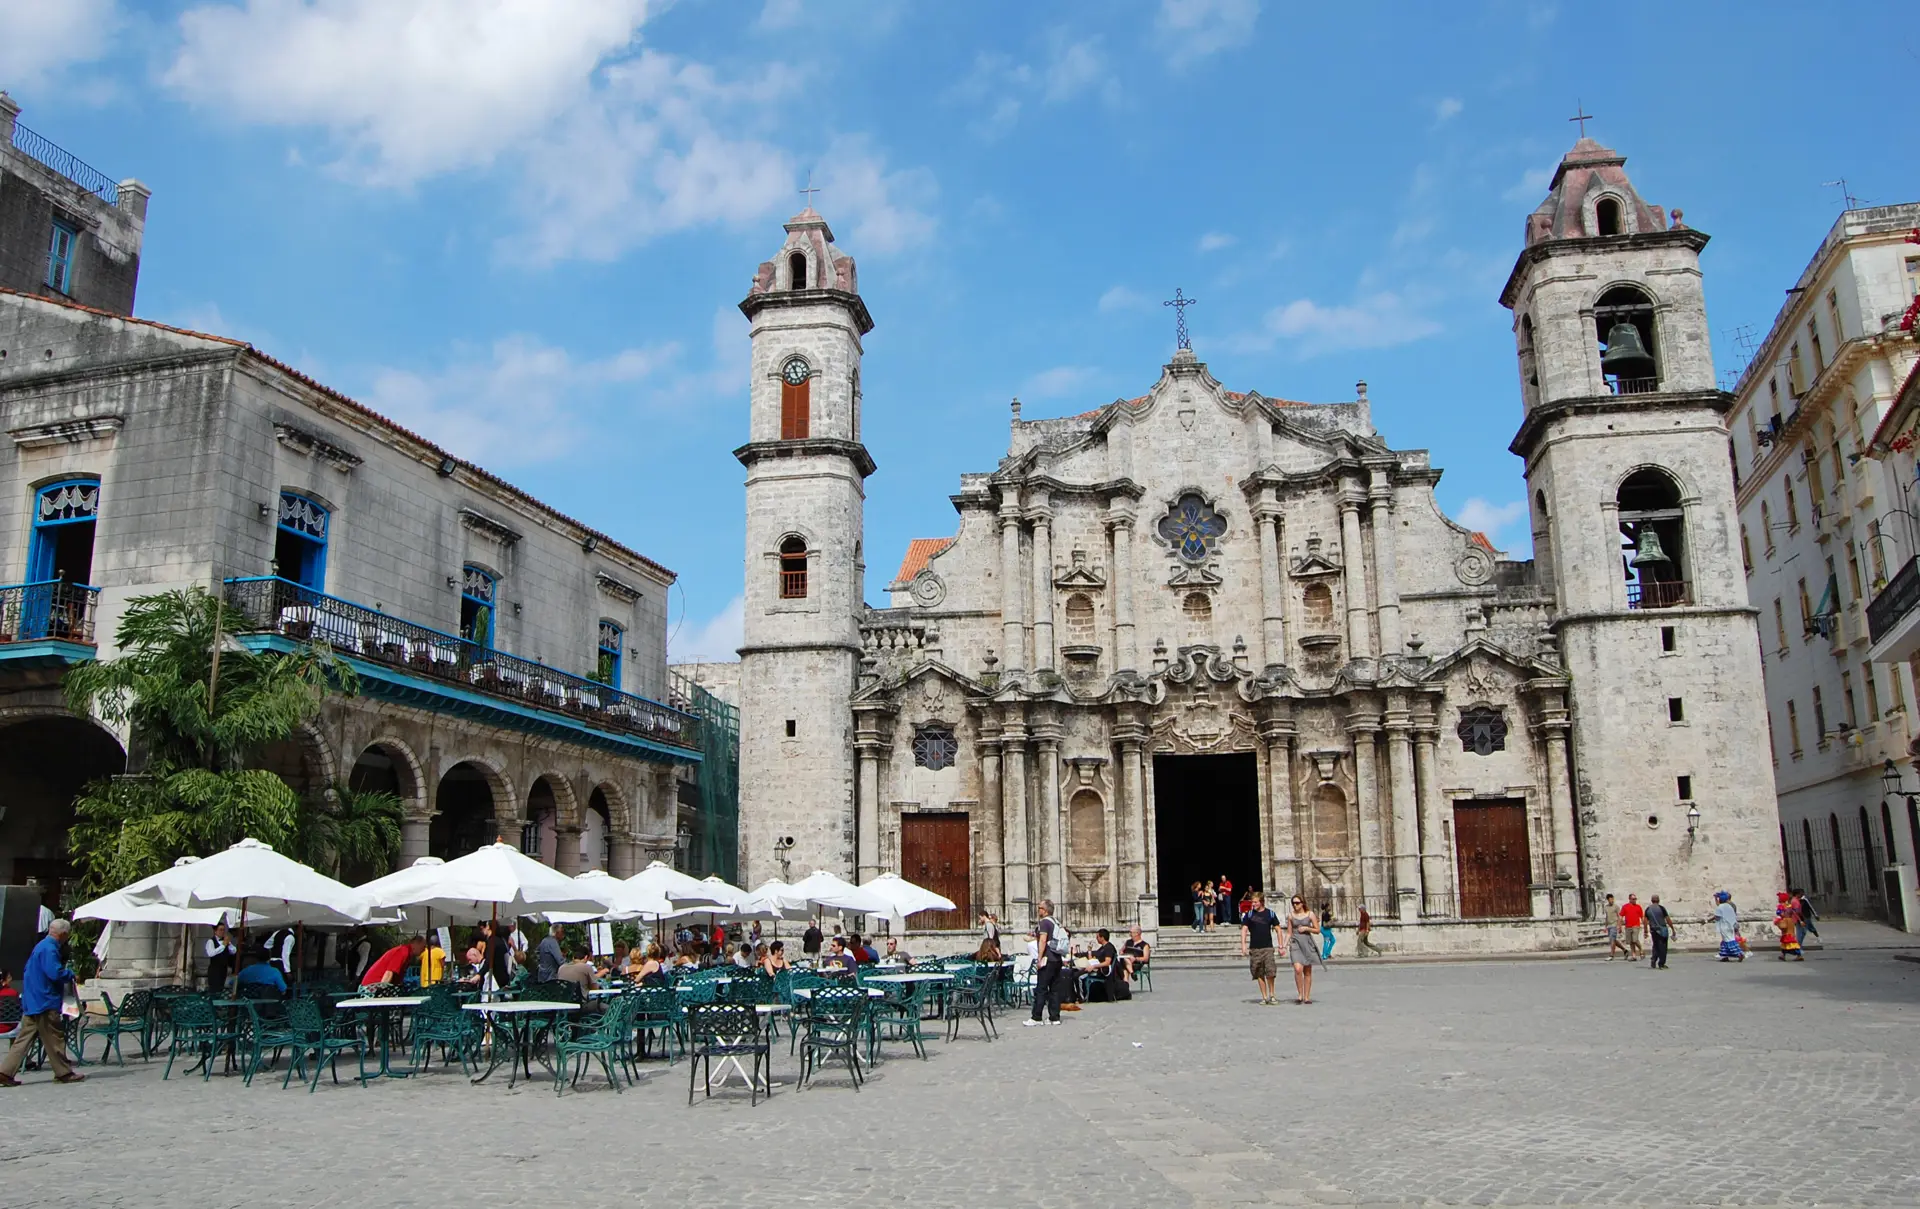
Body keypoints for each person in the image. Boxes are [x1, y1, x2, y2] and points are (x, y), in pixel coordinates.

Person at [0, 919, 82, 1086]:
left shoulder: (40, 946)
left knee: (23, 1039)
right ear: (63, 934)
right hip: (45, 1000)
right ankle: (63, 1072)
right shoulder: (50, 949)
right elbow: (54, 973)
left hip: (33, 999)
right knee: (54, 1037)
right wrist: (70, 974)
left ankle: (5, 1072)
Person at [1025, 899, 1067, 1027]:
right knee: (1054, 989)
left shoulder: (1044, 923)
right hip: (1057, 959)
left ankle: (1036, 1016)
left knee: (1041, 988)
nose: (1038, 910)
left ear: (1046, 910)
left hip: (1047, 959)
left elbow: (1042, 941)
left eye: (1040, 908)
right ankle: (1054, 1017)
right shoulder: (1056, 922)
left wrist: (1039, 958)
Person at [1240, 891, 1283, 1004]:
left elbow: (1278, 929)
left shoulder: (1270, 914)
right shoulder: (1249, 915)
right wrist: (1243, 945)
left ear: (1261, 902)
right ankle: (1264, 996)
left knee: (1270, 971)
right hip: (1255, 948)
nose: (1253, 904)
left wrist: (1281, 945)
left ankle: (1272, 995)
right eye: (1252, 902)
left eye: (1255, 902)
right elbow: (1244, 929)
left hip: (1267, 946)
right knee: (1258, 972)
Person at [1286, 897, 1323, 1005]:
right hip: (1295, 943)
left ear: (1302, 903)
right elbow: (1289, 932)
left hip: (1307, 943)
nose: (1295, 905)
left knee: (1307, 971)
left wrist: (1307, 928)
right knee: (1298, 969)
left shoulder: (1310, 914)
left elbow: (1317, 930)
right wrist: (1283, 946)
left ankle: (1306, 997)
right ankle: (1300, 995)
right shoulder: (1290, 916)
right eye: (1293, 903)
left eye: (1297, 903)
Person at [362, 936, 427, 987]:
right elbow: (388, 973)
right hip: (372, 985)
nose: (424, 950)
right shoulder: (403, 952)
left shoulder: (408, 955)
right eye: (423, 947)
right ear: (415, 944)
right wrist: (382, 992)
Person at [1086, 928, 1127, 1002]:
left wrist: (1094, 966)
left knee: (1079, 976)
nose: (1096, 939)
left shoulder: (1108, 948)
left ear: (1102, 938)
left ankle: (1082, 996)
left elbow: (1107, 962)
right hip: (1098, 968)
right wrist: (1089, 951)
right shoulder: (1102, 948)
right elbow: (1092, 960)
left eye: (1097, 937)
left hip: (1105, 972)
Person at [204, 921, 237, 992]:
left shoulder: (225, 941)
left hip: (224, 969)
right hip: (214, 970)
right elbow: (211, 953)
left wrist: (229, 944)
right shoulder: (211, 941)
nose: (222, 932)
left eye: (223, 930)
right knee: (214, 989)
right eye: (220, 930)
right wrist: (223, 946)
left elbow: (234, 951)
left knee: (221, 988)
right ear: (215, 931)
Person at [1712, 891, 1746, 961]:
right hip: (1730, 925)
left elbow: (1717, 917)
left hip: (1724, 926)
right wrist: (1716, 898)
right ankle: (1725, 956)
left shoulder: (1720, 907)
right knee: (1728, 940)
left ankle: (1739, 953)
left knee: (1728, 941)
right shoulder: (1729, 906)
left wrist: (1707, 921)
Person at [1645, 894, 1673, 970]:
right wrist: (1672, 929)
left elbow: (1645, 921)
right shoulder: (1661, 908)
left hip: (1653, 930)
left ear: (1651, 900)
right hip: (1661, 930)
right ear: (1658, 900)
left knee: (1655, 945)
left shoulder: (1648, 909)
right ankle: (1661, 963)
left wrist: (1645, 931)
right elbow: (1668, 919)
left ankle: (1653, 960)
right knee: (1663, 947)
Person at [1775, 892, 1804, 961]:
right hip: (1791, 922)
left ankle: (1797, 954)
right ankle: (1783, 955)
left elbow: (1781, 914)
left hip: (1785, 922)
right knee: (1789, 937)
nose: (1778, 899)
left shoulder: (1781, 906)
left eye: (1779, 898)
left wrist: (1779, 919)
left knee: (1787, 938)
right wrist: (1800, 921)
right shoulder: (1789, 906)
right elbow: (1795, 913)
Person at [1620, 894, 1646, 962]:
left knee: (1635, 939)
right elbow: (1621, 916)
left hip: (1636, 925)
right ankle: (1634, 955)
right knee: (1631, 942)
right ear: (1630, 899)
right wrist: (1619, 925)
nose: (1635, 900)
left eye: (1635, 899)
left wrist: (1645, 926)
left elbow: (1642, 917)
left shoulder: (1638, 907)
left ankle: (1641, 950)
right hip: (1628, 926)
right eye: (1633, 899)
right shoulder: (1625, 907)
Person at [1603, 893, 1626, 961]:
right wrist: (1605, 926)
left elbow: (1619, 917)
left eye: (1612, 899)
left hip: (1614, 924)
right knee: (1613, 940)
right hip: (1609, 925)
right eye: (1610, 899)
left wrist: (1619, 926)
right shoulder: (1606, 907)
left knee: (1612, 940)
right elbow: (1606, 917)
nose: (1611, 901)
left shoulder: (1616, 907)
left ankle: (1611, 955)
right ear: (1608, 900)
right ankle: (1624, 950)